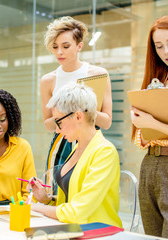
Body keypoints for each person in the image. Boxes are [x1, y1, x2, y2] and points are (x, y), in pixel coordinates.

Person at [27, 82, 122, 227]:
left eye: (59, 122)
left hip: (98, 233)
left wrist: (36, 208)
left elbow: (78, 212)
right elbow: (73, 200)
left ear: (78, 116)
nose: (57, 130)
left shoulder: (105, 152)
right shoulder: (77, 148)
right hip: (74, 230)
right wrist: (47, 199)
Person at [130, 16, 168, 239]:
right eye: (159, 46)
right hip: (150, 166)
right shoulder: (160, 80)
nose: (166, 51)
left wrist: (154, 124)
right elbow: (140, 140)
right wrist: (140, 121)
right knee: (152, 236)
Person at [40, 16, 113, 172]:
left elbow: (106, 122)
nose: (59, 52)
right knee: (57, 192)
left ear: (79, 46)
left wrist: (83, 108)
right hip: (62, 142)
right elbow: (47, 124)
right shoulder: (48, 80)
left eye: (66, 46)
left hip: (91, 141)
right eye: (55, 47)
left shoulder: (98, 74)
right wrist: (68, 114)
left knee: (89, 189)